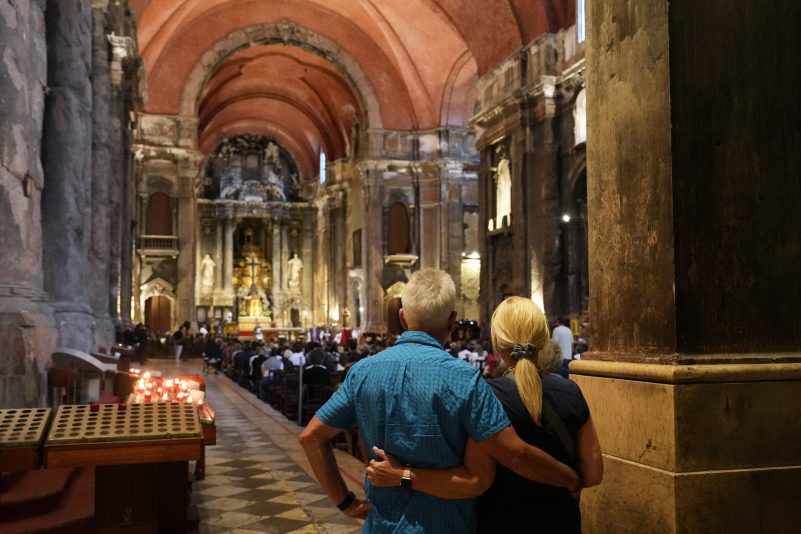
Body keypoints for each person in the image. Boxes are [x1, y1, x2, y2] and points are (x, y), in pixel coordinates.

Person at [299, 269, 579, 532]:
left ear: (403, 318)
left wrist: (345, 503)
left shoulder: (363, 371)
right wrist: (569, 478)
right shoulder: (466, 379)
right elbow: (499, 465)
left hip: (380, 525)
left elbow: (311, 437)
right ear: (452, 322)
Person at [368, 297, 603, 533]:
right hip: (562, 521)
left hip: (502, 521)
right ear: (543, 340)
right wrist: (571, 480)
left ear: (497, 342)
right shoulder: (571, 391)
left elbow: (476, 479)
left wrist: (404, 475)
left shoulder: (486, 395)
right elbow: (593, 474)